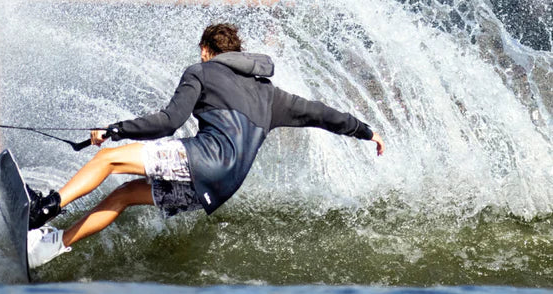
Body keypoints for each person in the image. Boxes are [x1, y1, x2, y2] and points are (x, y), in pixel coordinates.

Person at [26, 23, 384, 269]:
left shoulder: (202, 71)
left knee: (108, 159)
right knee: (124, 195)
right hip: (217, 189)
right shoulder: (271, 95)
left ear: (205, 50)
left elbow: (169, 121)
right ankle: (50, 247)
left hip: (202, 160)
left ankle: (44, 208)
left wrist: (114, 130)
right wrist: (366, 132)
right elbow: (321, 114)